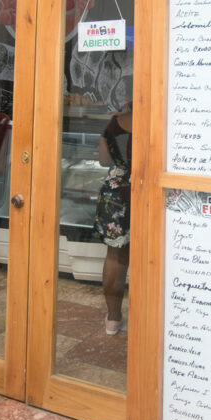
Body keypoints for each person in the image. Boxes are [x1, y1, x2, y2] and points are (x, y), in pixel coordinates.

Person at [93, 103, 132, 336]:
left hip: (116, 193)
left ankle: (113, 319)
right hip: (148, 188)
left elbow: (104, 161)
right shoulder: (160, 118)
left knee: (115, 257)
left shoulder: (115, 122)